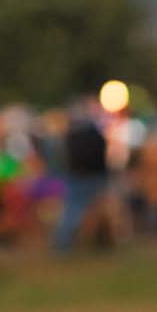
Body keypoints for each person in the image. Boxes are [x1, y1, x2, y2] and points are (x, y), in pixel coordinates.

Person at [51, 100, 110, 253]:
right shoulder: (95, 135)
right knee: (92, 211)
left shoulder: (72, 135)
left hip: (77, 176)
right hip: (93, 177)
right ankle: (94, 242)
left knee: (72, 212)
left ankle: (64, 243)